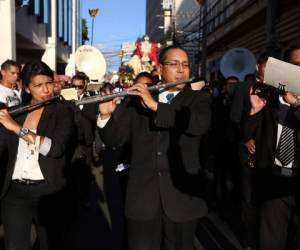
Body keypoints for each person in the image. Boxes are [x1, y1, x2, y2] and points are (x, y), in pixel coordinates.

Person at [97, 45, 211, 250]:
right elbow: (115, 140)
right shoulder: (138, 98)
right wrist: (106, 116)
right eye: (174, 64)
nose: (181, 69)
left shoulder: (198, 98)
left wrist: (155, 106)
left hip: (183, 199)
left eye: (185, 64)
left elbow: (197, 125)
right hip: (142, 199)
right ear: (160, 68)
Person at [0, 61, 74, 250]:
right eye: (38, 85)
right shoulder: (16, 112)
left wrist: (17, 129)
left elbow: (54, 148)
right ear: (26, 87)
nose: (46, 89)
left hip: (47, 191)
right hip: (14, 191)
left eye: (49, 83)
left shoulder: (62, 111)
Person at [243, 45, 300, 250]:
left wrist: (296, 104)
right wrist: (254, 111)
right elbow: (245, 136)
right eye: (295, 65)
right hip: (273, 179)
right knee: (269, 242)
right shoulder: (269, 98)